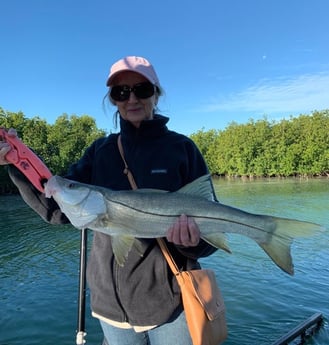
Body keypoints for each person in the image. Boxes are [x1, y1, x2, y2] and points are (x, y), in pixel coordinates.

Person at [0, 56, 217, 345]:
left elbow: (212, 237)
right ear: (113, 99)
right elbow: (55, 209)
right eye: (120, 92)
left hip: (172, 302)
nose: (131, 99)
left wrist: (190, 242)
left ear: (157, 93)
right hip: (111, 308)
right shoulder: (100, 151)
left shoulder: (183, 149)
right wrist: (16, 164)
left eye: (141, 89)